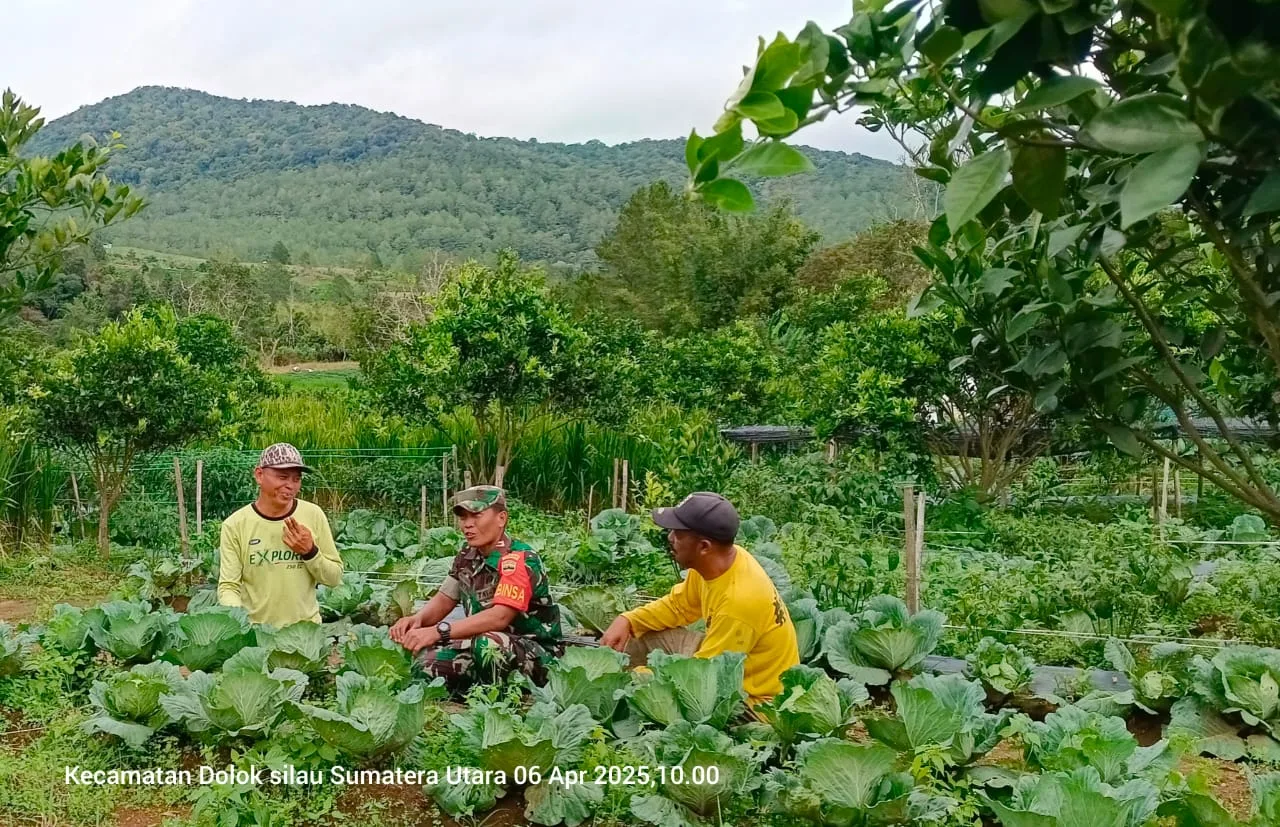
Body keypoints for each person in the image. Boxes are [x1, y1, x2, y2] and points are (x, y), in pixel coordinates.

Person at [600, 491, 798, 706]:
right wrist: (629, 620)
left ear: (704, 547)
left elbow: (705, 681)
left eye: (678, 533)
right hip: (724, 663)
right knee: (638, 638)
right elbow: (679, 607)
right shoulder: (719, 563)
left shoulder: (738, 603)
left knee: (650, 689)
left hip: (753, 702)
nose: (670, 537)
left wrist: (642, 676)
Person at [389, 485, 562, 691]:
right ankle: (478, 691)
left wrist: (438, 631)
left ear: (501, 518)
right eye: (463, 518)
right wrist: (418, 620)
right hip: (479, 643)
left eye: (477, 515)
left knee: (488, 645)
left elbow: (499, 617)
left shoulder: (518, 559)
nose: (468, 525)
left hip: (533, 652)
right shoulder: (467, 554)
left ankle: (500, 702)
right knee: (427, 665)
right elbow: (446, 597)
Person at [217, 443, 344, 627]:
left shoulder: (313, 515)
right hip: (257, 635)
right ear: (259, 475)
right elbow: (229, 586)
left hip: (305, 635)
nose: (290, 486)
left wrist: (310, 552)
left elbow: (334, 578)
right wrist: (238, 621)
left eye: (296, 479)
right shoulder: (235, 525)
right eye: (282, 477)